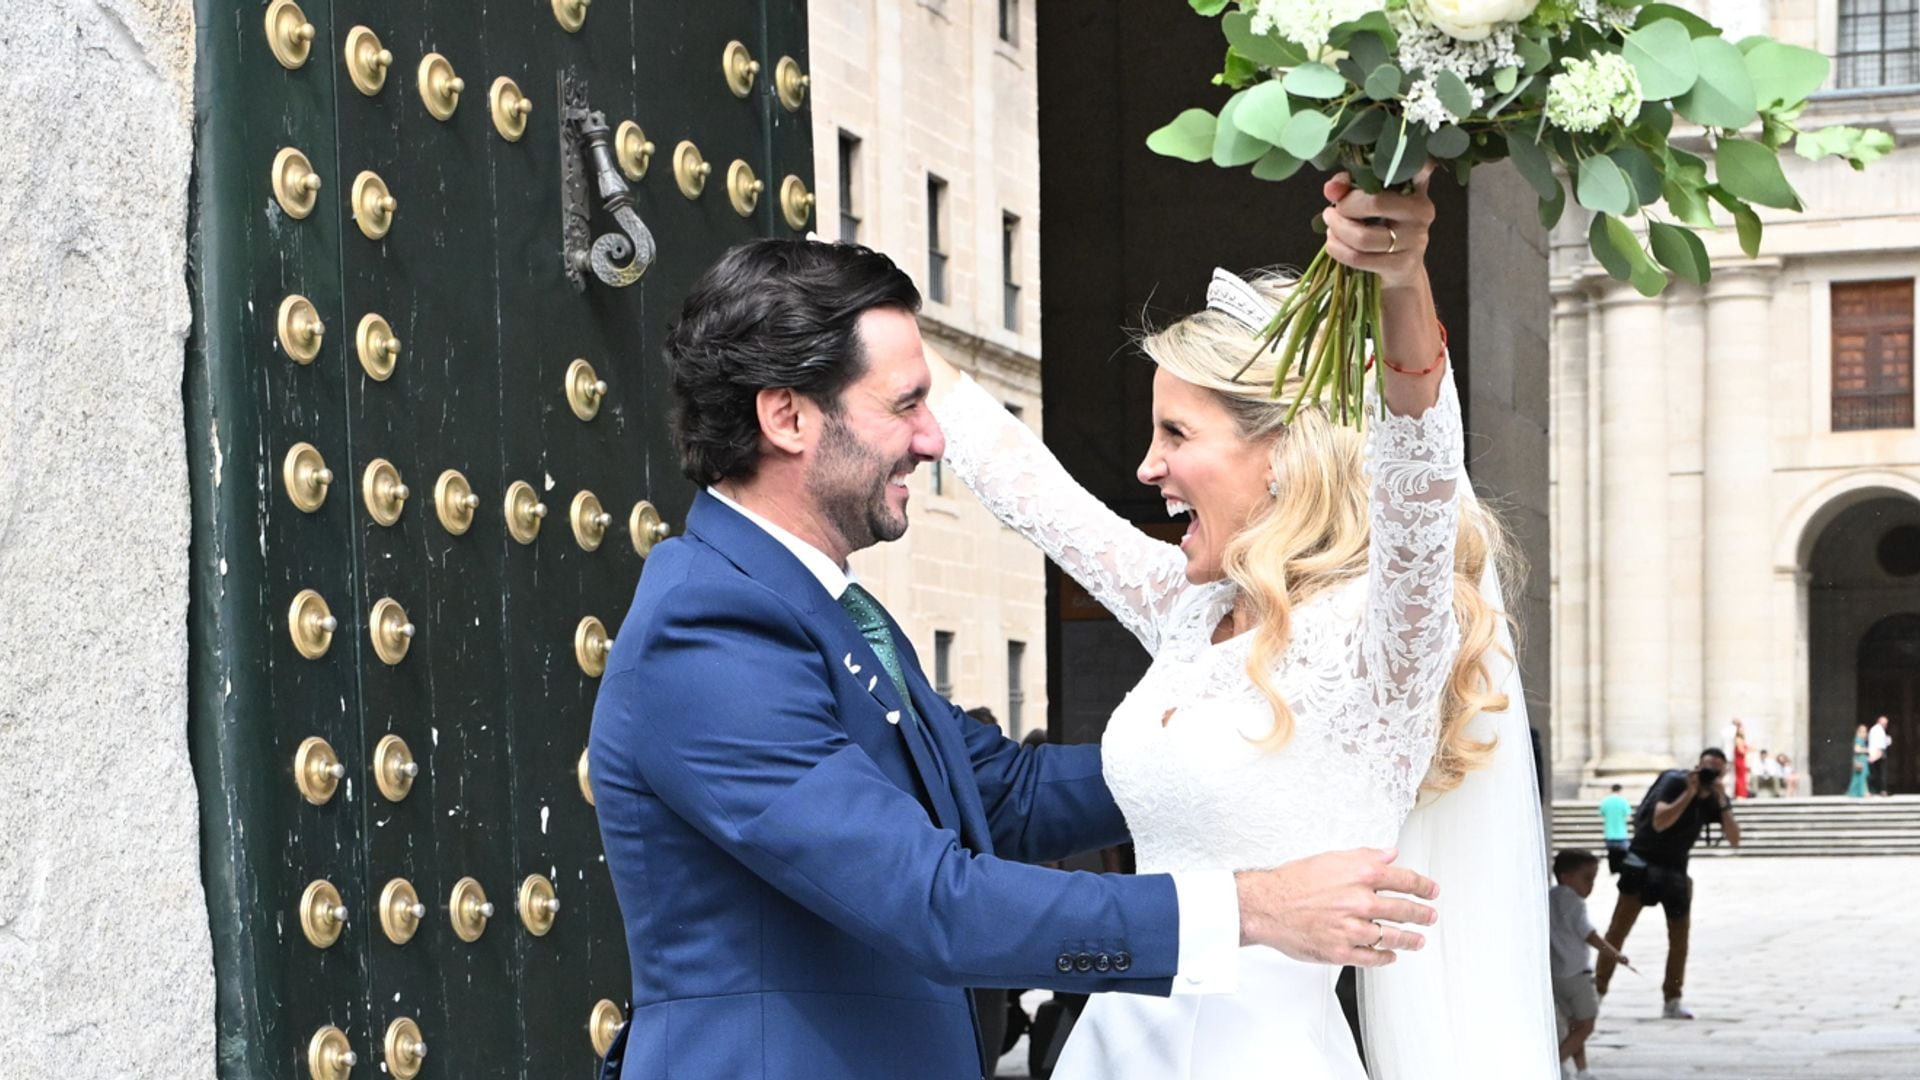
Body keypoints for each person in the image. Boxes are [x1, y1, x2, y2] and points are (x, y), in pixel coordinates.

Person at [587, 238, 1444, 1080]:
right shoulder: (708, 630)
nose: (930, 441)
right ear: (787, 417)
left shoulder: (820, 605)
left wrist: (1238, 764)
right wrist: (1252, 907)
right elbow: (933, 905)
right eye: (904, 406)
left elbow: (1002, 791)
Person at [924, 170, 1556, 1079]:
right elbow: (1040, 496)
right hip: (1109, 1047)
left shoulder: (1386, 643)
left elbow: (1418, 467)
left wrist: (1402, 278)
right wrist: (897, 336)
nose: (1146, 467)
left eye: (1175, 435)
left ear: (1283, 451)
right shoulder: (1191, 610)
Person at [1594, 749, 1741, 1019]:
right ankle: (1597, 993)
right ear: (1697, 765)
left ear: (1724, 772)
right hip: (1642, 866)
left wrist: (1721, 800)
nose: (1710, 774)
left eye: (1717, 770)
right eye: (1707, 767)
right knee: (1617, 932)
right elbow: (1660, 822)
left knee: (1679, 940)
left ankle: (1672, 999)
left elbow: (1734, 838)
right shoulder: (1675, 782)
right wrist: (1689, 794)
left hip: (1675, 872)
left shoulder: (1715, 797)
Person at [1549, 850, 1627, 1080]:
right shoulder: (1574, 902)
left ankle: (1582, 1071)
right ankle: (1555, 1062)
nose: (1590, 886)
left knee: (1574, 1025)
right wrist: (1614, 954)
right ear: (1566, 877)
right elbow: (1589, 934)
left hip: (1557, 972)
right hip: (1576, 973)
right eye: (1587, 878)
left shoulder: (1551, 896)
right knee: (1586, 1024)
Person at [1597, 784, 1632, 875]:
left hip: (1609, 832)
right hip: (1621, 832)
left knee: (1611, 853)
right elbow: (1627, 813)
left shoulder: (1605, 801)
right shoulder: (1623, 801)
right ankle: (1621, 869)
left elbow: (1601, 813)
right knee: (1623, 853)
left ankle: (1612, 869)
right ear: (1620, 790)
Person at [1868, 714, 1893, 796]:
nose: (1886, 725)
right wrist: (1876, 756)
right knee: (1881, 773)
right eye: (1885, 723)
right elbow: (1879, 744)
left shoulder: (1875, 729)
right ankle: (1882, 790)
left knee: (1876, 773)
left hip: (1875, 753)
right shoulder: (1878, 730)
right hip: (1878, 753)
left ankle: (1877, 789)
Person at [1848, 724, 1871, 799]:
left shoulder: (1862, 740)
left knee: (1861, 777)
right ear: (1859, 732)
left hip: (1862, 760)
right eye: (1863, 731)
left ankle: (1864, 792)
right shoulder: (1858, 739)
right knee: (1861, 777)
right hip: (1860, 760)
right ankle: (1863, 792)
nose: (1865, 733)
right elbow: (1856, 749)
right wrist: (1866, 750)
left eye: (1865, 731)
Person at [1730, 720, 1751, 799]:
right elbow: (1741, 751)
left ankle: (1741, 794)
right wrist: (1748, 750)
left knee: (1742, 777)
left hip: (1741, 760)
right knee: (1740, 777)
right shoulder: (1738, 739)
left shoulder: (1740, 739)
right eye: (1742, 730)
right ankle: (1740, 794)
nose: (1743, 731)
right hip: (1739, 760)